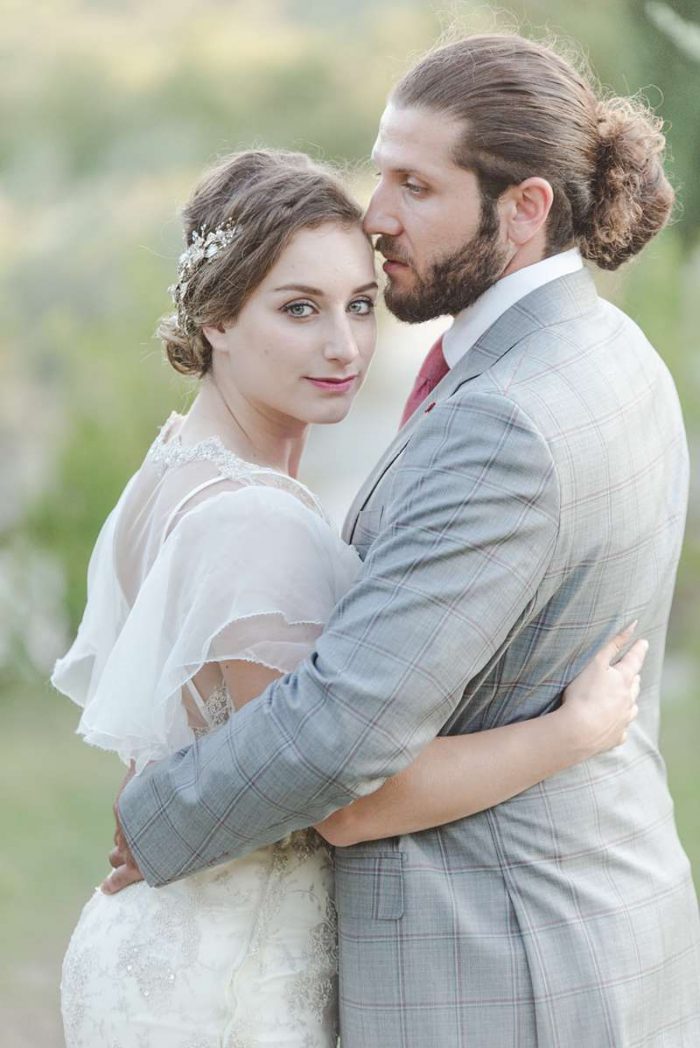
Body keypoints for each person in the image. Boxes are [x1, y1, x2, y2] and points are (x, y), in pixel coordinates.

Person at [109, 33, 700, 1047]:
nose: (376, 213)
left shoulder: (504, 421)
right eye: (382, 168)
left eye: (416, 184)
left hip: (496, 962)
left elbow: (344, 737)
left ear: (523, 209)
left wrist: (153, 815)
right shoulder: (610, 348)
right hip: (609, 912)